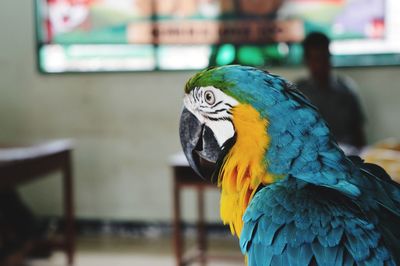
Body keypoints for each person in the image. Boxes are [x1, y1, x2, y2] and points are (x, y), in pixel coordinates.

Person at [296, 32, 366, 150]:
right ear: (307, 61)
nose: (321, 65)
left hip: (349, 157)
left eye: (325, 58)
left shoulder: (346, 89)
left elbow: (358, 132)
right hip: (314, 158)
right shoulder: (299, 93)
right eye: (316, 59)